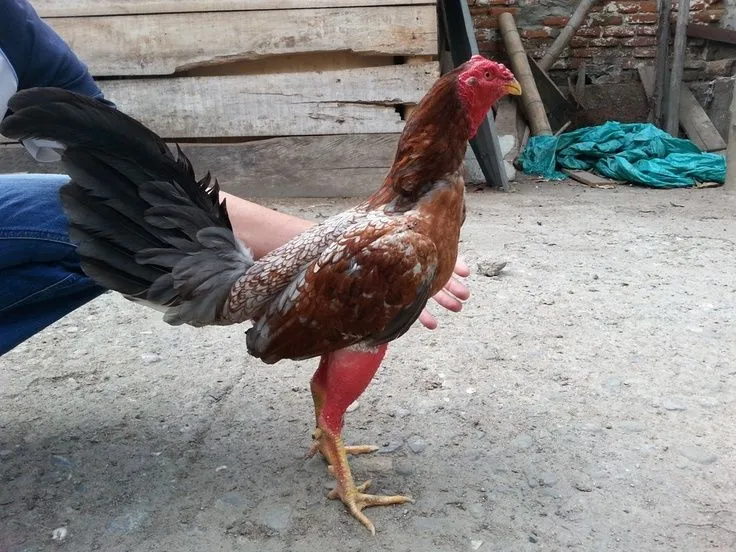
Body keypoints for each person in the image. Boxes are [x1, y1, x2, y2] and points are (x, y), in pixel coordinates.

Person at [0, 0, 470, 356]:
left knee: (79, 211)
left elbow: (109, 153)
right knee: (82, 221)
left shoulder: (11, 26)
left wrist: (337, 257)